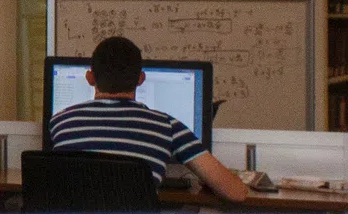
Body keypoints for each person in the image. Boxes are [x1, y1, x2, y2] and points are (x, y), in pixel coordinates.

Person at [47, 36, 252, 202]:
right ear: (141, 79)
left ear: (90, 78)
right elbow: (236, 193)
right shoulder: (167, 126)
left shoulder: (60, 122)